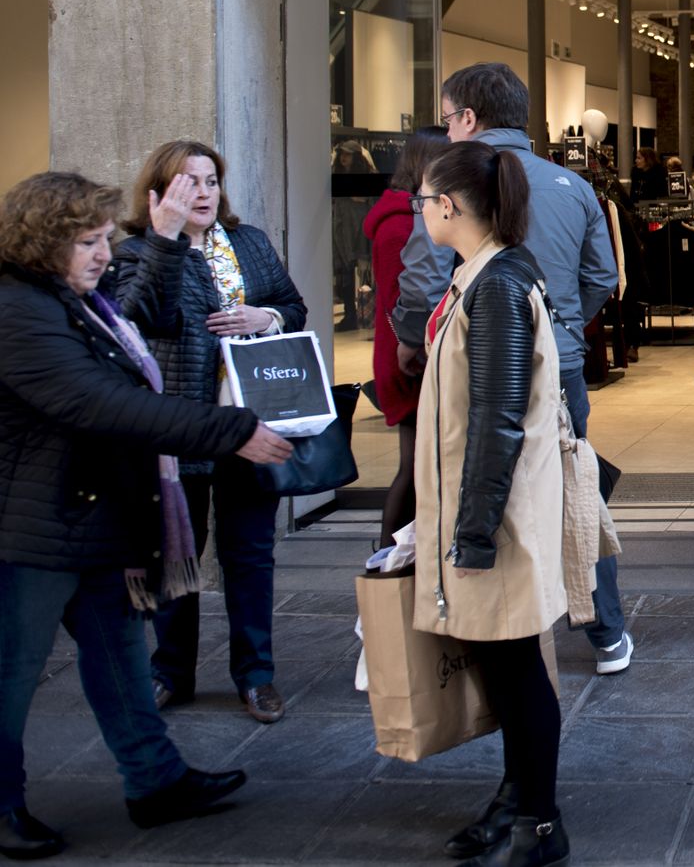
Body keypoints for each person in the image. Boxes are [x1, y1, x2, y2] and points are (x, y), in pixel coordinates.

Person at [0, 172, 293, 858]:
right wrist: (229, 430)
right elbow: (100, 403)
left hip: (91, 517)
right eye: (87, 242)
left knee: (122, 660)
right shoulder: (19, 311)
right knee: (11, 675)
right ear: (44, 245)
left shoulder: (74, 301)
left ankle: (156, 782)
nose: (103, 253)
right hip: (35, 528)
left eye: (105, 238)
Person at [397, 63, 626, 672]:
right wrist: (563, 327)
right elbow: (602, 275)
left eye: (448, 119)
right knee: (570, 489)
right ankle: (605, 631)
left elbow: (422, 281)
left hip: (473, 367)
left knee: (477, 484)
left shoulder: (450, 187)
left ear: (468, 118)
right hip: (562, 368)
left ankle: (485, 631)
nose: (446, 132)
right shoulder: (572, 186)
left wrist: (411, 339)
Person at [410, 141, 569, 867]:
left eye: (423, 199)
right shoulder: (479, 278)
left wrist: (471, 533)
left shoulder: (497, 285)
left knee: (517, 669)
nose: (419, 209)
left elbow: (498, 418)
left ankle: (539, 819)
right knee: (503, 667)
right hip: (483, 513)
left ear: (449, 206)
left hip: (495, 520)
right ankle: (516, 798)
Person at [114, 140, 308, 725]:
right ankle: (171, 671)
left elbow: (291, 306)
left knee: (249, 552)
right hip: (184, 423)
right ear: (160, 192)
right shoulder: (138, 251)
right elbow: (137, 315)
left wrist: (264, 317)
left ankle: (256, 676)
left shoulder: (246, 242)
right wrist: (164, 239)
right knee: (179, 551)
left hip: (251, 417)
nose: (203, 192)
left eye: (210, 180)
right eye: (188, 182)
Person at [364, 126, 450, 550]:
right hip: (409, 356)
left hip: (410, 351)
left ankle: (395, 560)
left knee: (418, 464)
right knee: (415, 467)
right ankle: (387, 561)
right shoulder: (402, 223)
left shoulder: (405, 216)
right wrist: (415, 344)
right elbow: (405, 297)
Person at [331, 140, 378, 331]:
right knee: (344, 274)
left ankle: (369, 313)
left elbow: (372, 201)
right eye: (342, 153)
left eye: (348, 154)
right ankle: (350, 314)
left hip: (361, 228)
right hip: (343, 228)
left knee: (367, 273)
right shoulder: (337, 174)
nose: (344, 158)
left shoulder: (369, 175)